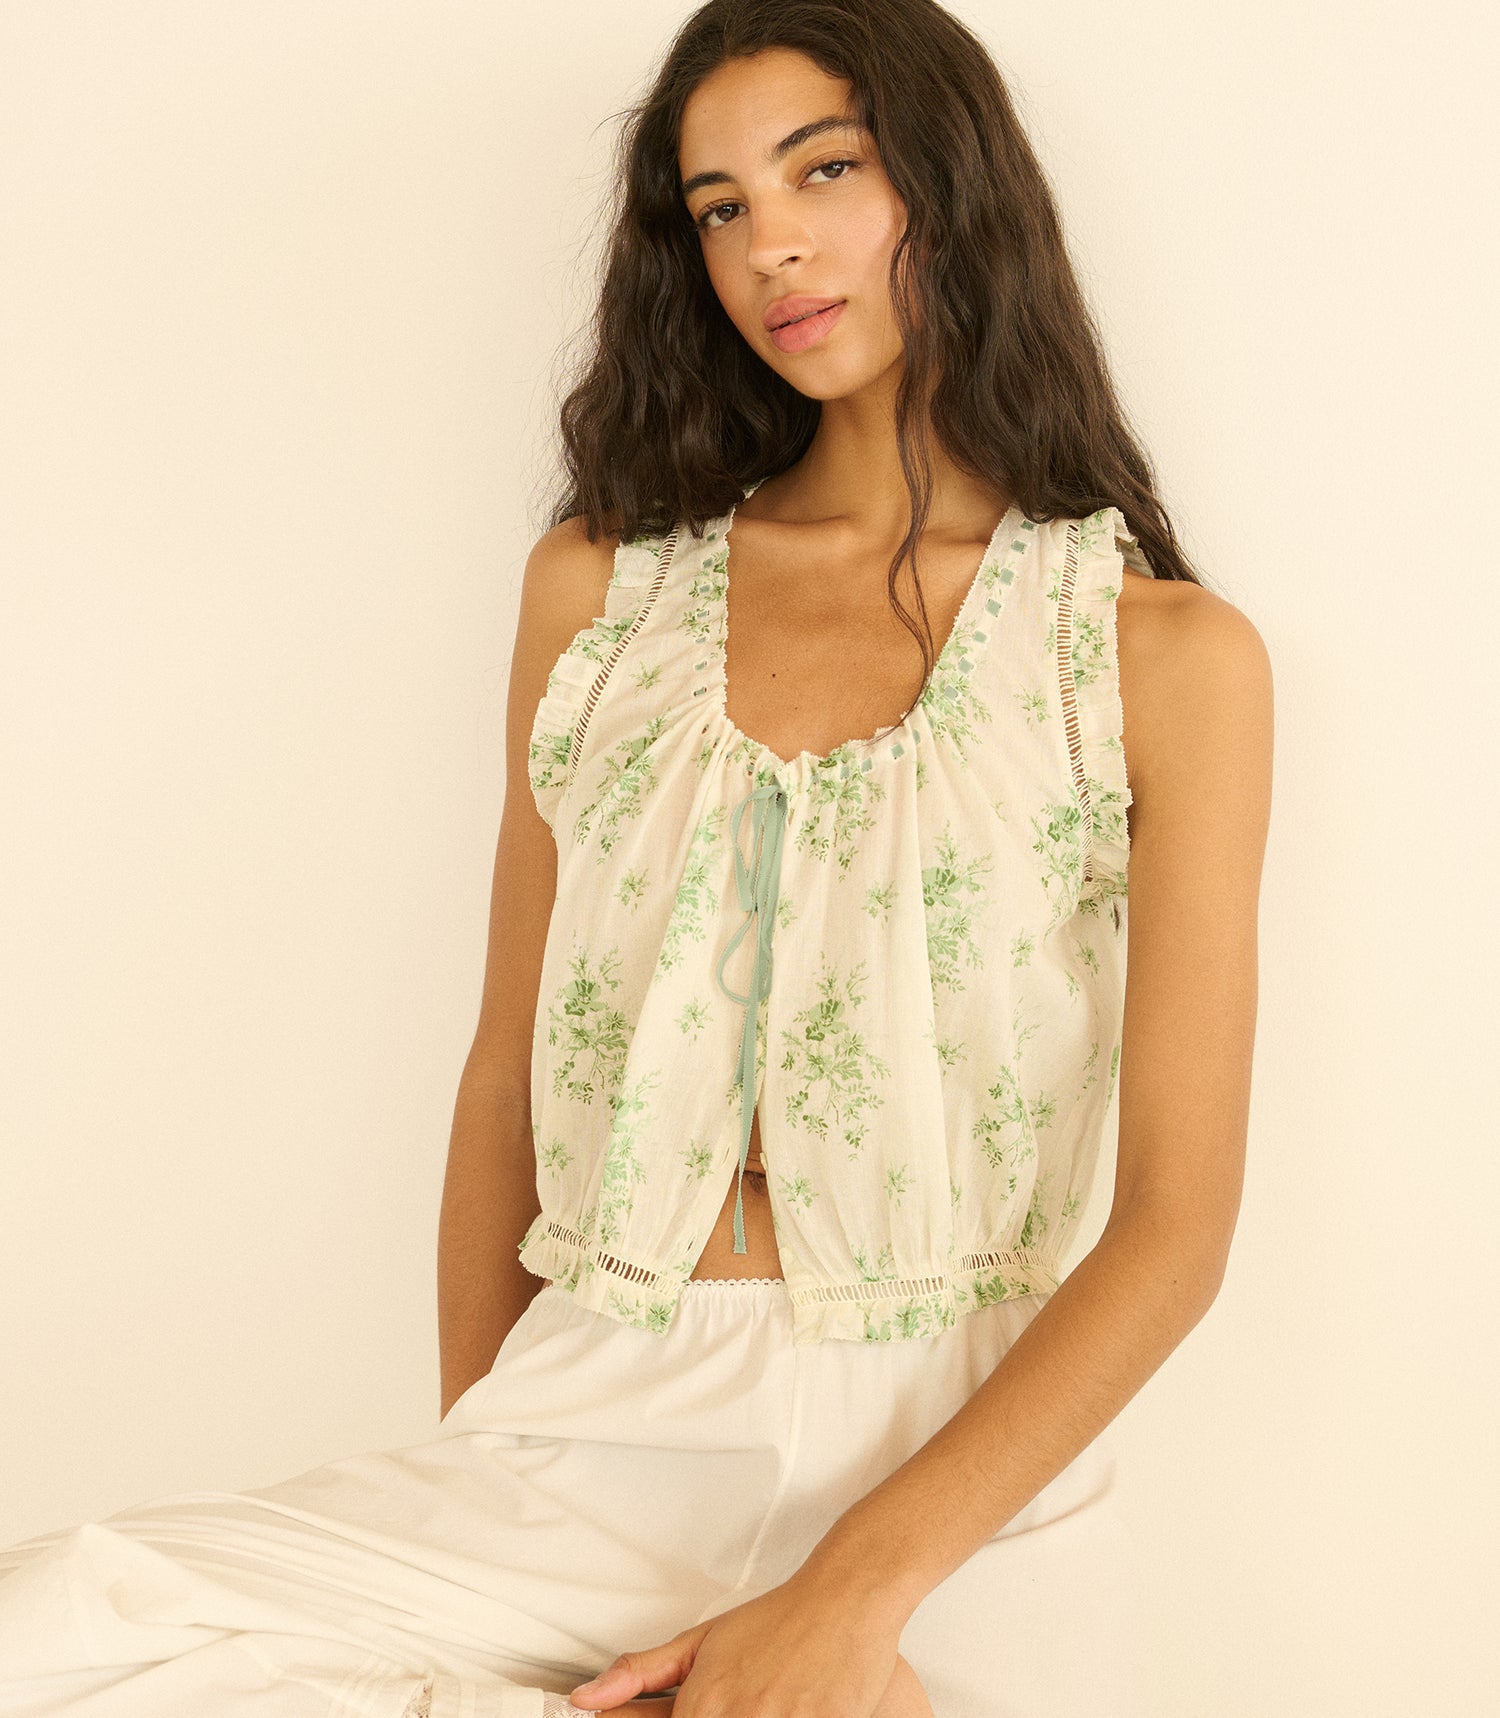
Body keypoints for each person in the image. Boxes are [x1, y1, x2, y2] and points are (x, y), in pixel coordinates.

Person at [0, 2, 1273, 1714]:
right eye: (718, 206)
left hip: (962, 1471)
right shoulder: (603, 594)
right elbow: (503, 1083)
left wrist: (852, 1595)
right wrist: (488, 1444)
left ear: (954, 184)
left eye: (825, 170)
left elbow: (1178, 1223)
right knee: (61, 1622)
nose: (770, 246)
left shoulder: (1154, 651)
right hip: (597, 1409)